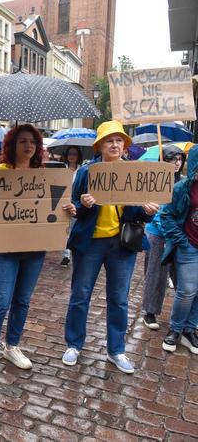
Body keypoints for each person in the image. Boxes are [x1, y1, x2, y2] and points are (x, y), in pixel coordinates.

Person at [0, 125, 76, 379]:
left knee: (23, 300)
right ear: (12, 145)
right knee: (1, 300)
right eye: (22, 141)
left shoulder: (44, 176)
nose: (28, 146)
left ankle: (12, 346)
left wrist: (68, 210)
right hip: (4, 248)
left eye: (32, 141)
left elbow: (56, 209)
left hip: (34, 248)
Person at [62, 120, 158, 374]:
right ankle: (74, 344)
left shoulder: (134, 172)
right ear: (100, 146)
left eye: (119, 140)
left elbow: (140, 213)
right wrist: (83, 204)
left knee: (119, 299)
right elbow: (75, 209)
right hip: (90, 243)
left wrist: (148, 211)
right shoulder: (86, 172)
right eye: (109, 140)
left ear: (124, 145)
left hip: (121, 245)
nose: (115, 144)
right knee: (80, 295)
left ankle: (116, 350)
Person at [160, 146, 198, 354]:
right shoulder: (182, 188)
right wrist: (182, 241)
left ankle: (189, 330)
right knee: (187, 291)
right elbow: (166, 216)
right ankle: (175, 329)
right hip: (189, 246)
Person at [141, 148, 185, 330]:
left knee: (181, 275)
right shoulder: (154, 182)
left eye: (179, 159)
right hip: (157, 233)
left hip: (177, 235)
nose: (176, 163)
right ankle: (150, 311)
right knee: (156, 274)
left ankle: (186, 316)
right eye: (172, 159)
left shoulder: (184, 183)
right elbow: (154, 210)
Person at [59, 145, 83, 267]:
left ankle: (71, 251)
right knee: (63, 229)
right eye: (70, 154)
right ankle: (65, 255)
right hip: (62, 203)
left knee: (73, 229)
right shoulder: (62, 169)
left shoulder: (82, 170)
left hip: (75, 204)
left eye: (74, 154)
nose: (72, 156)